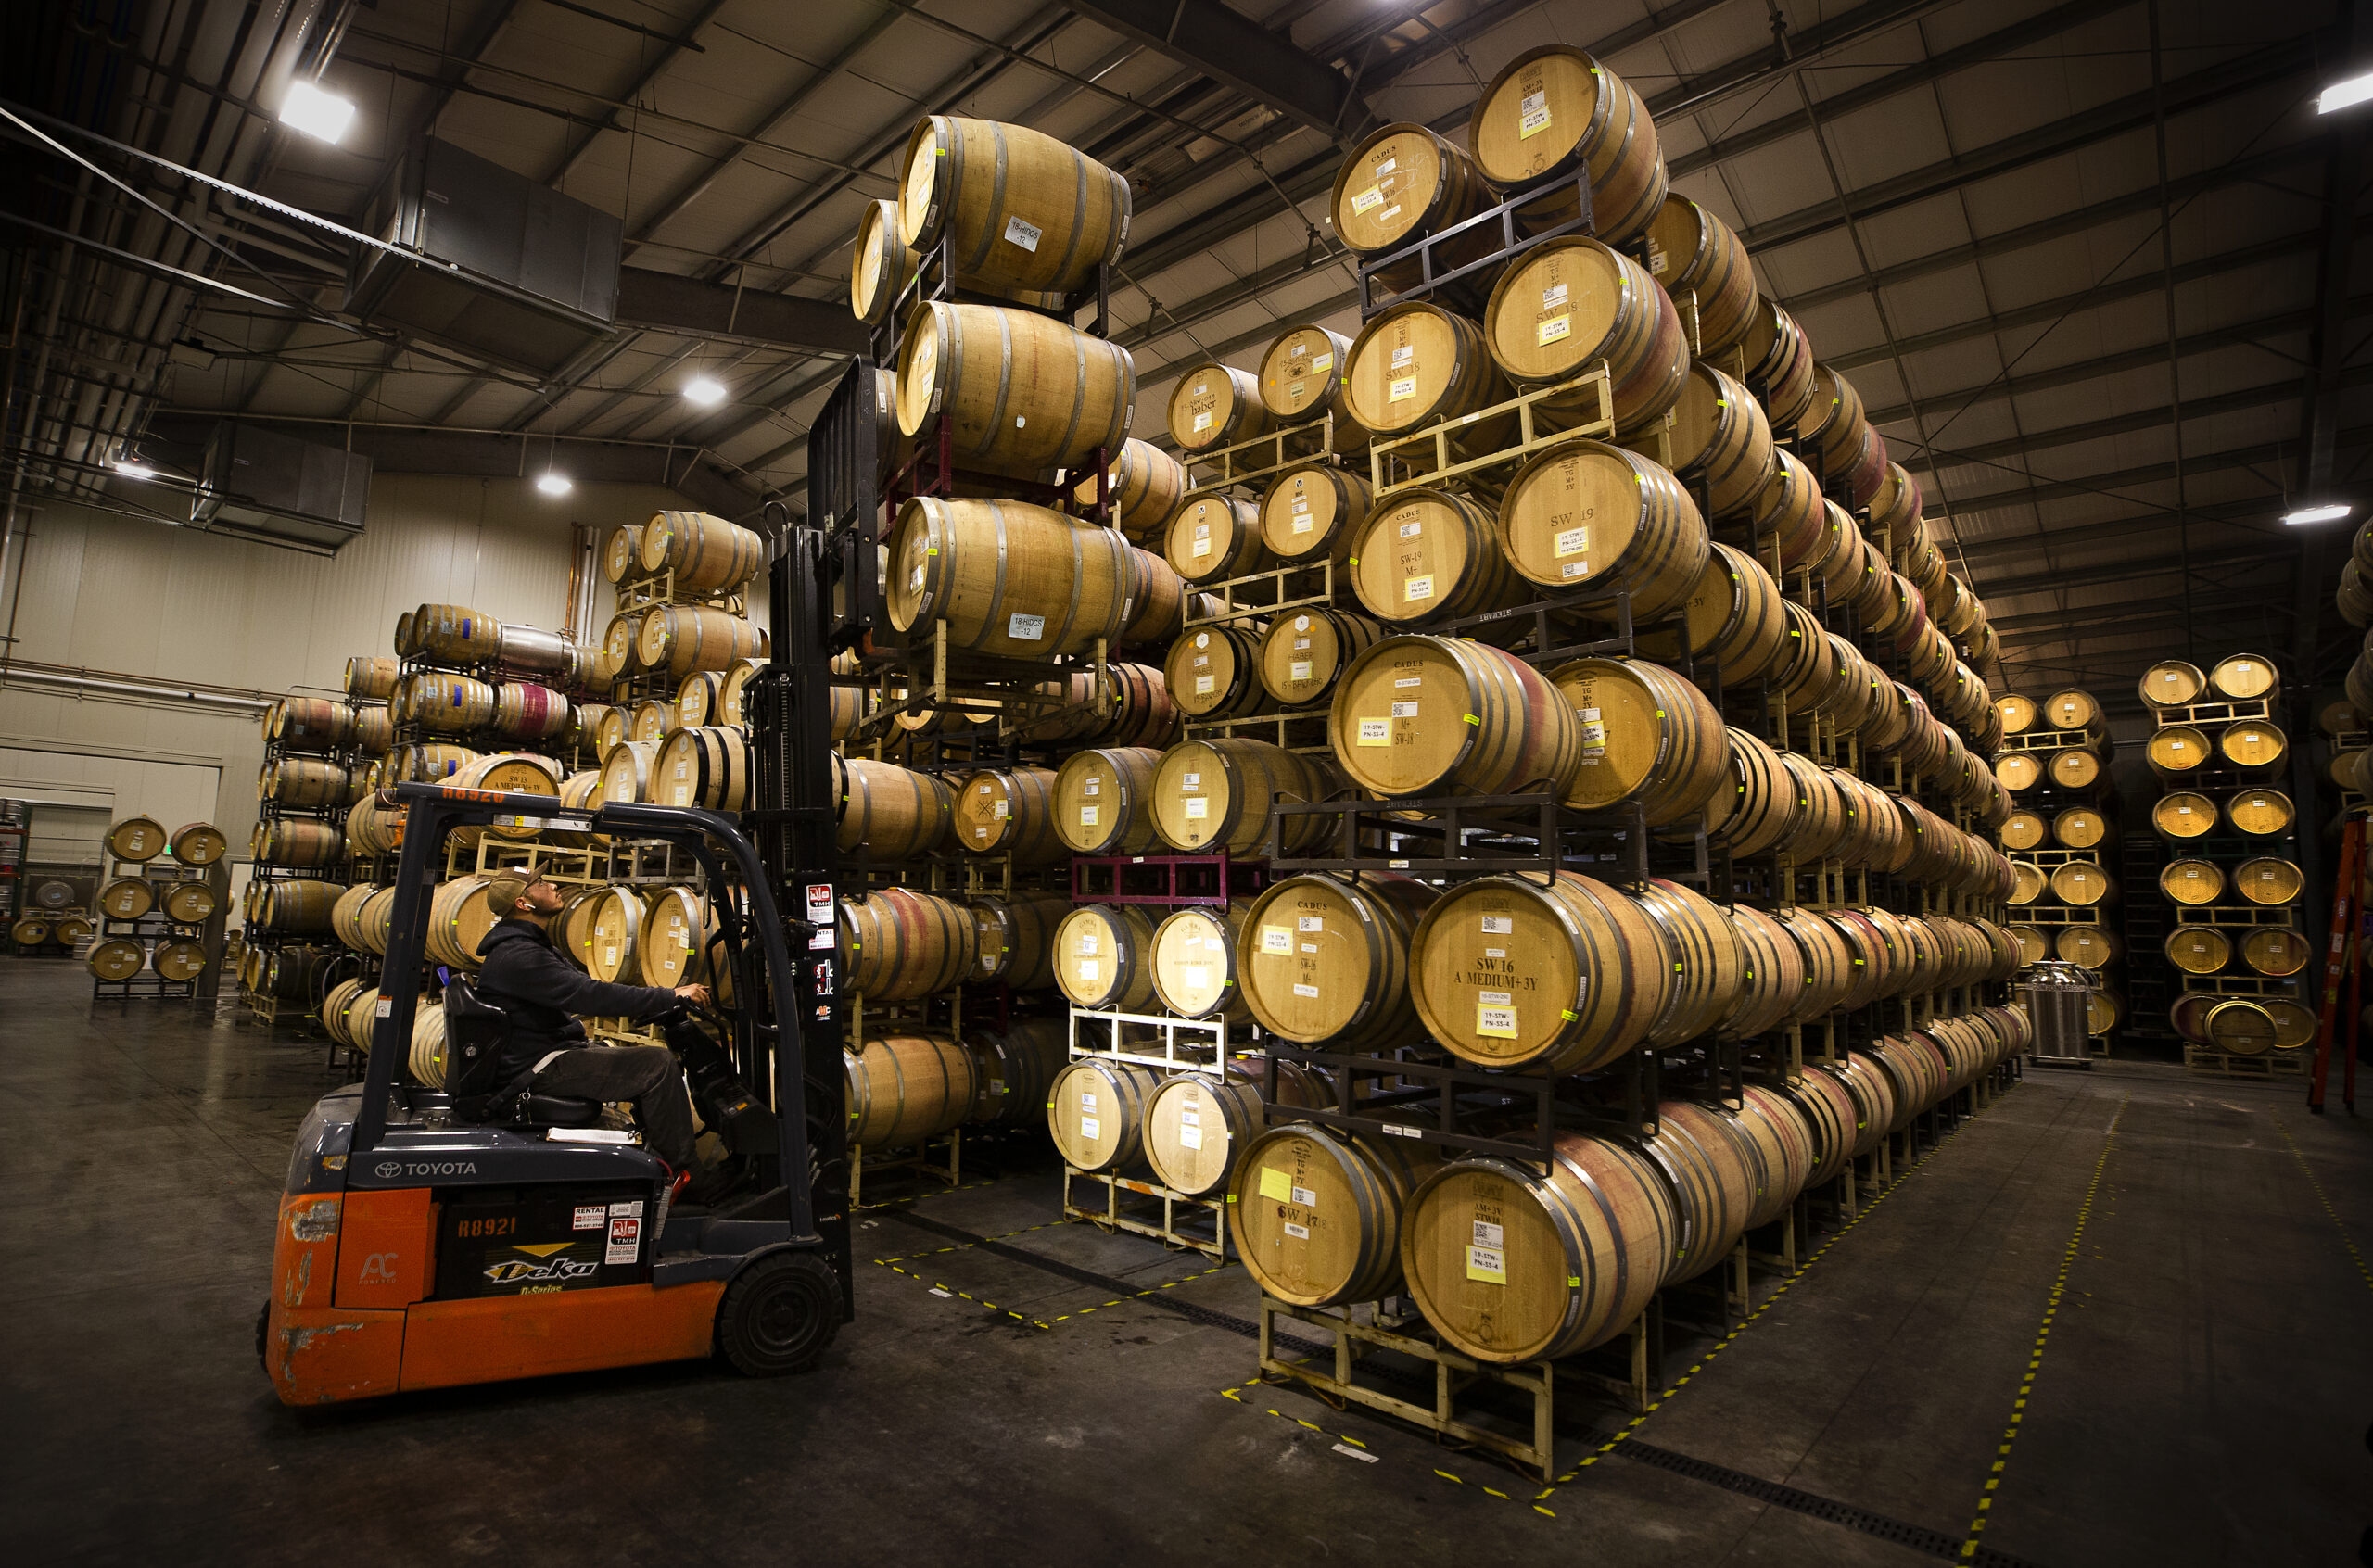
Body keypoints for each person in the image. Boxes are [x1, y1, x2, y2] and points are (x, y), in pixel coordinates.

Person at [471, 868, 712, 1187]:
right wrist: (670, 994)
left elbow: (586, 987)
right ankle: (686, 1177)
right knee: (656, 1066)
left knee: (644, 1062)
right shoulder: (520, 956)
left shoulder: (527, 947)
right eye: (541, 884)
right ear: (523, 903)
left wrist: (658, 1001)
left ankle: (653, 1163)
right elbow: (590, 995)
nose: (553, 884)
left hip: (544, 1055)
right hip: (538, 1067)